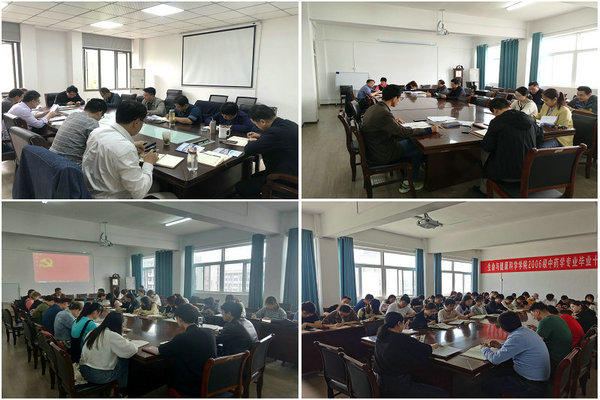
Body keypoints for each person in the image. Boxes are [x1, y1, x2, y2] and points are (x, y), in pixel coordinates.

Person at [360, 84, 440, 194]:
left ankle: (411, 173)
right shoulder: (384, 113)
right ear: (394, 98)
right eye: (399, 98)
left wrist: (392, 122)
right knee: (418, 148)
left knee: (411, 142)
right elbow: (403, 132)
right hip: (382, 153)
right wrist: (429, 129)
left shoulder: (374, 107)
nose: (399, 101)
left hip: (374, 146)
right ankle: (409, 182)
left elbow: (382, 124)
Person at [82, 101, 159, 199]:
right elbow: (139, 193)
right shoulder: (125, 148)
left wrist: (131, 145)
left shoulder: (96, 133)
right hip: (113, 200)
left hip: (90, 192)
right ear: (136, 122)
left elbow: (112, 148)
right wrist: (149, 163)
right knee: (161, 187)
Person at [373, 312, 448, 397]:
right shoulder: (402, 338)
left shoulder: (381, 336)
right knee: (444, 394)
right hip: (399, 386)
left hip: (381, 384)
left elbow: (400, 345)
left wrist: (413, 341)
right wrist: (433, 346)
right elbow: (424, 350)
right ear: (399, 323)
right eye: (403, 323)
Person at [481, 311, 550, 397]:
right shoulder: (525, 331)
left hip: (532, 384)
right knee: (500, 371)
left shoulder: (516, 337)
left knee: (488, 385)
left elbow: (495, 359)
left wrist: (484, 348)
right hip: (538, 378)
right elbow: (518, 346)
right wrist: (500, 346)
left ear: (502, 328)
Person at [237, 105, 298, 198]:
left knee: (241, 186)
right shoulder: (289, 124)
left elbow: (249, 150)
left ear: (262, 121)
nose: (256, 126)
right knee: (253, 177)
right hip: (295, 169)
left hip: (286, 178)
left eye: (256, 124)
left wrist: (251, 141)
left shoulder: (273, 132)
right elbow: (280, 138)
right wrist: (261, 136)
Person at [158, 304, 217, 397]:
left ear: (180, 319)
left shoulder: (182, 337)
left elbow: (162, 350)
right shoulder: (210, 332)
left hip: (191, 385)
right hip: (210, 379)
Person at [79, 312, 138, 395]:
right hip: (99, 376)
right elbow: (132, 350)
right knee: (124, 358)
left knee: (118, 353)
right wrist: (125, 340)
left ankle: (117, 389)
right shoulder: (112, 335)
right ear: (118, 325)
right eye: (122, 325)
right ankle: (122, 390)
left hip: (84, 370)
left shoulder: (93, 331)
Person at [528, 302, 572, 373]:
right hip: (565, 356)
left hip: (555, 359)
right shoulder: (557, 318)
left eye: (532, 315)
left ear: (537, 312)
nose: (533, 318)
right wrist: (537, 330)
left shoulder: (545, 321)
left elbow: (537, 344)